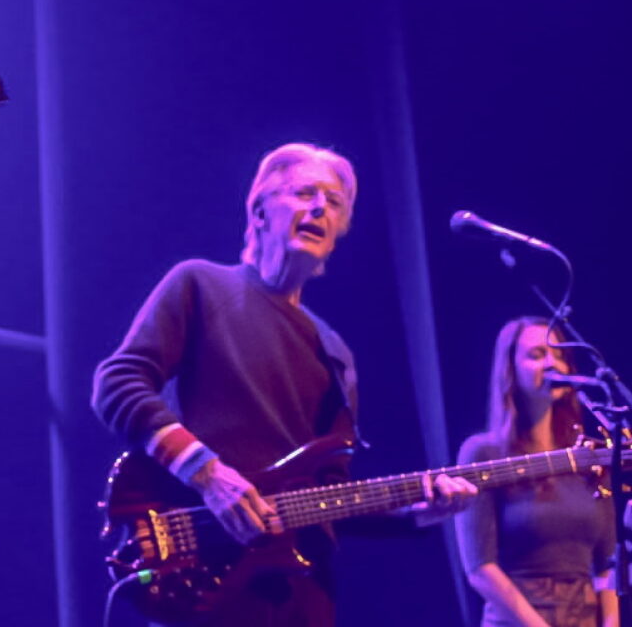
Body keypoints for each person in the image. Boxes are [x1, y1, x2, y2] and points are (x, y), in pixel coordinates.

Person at [90, 142, 477, 626]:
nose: (320, 208)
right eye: (303, 193)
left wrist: (418, 512)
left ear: (338, 233)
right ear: (259, 210)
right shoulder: (200, 285)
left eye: (334, 203)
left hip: (300, 595)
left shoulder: (334, 352)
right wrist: (209, 475)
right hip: (202, 579)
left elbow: (330, 496)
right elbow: (118, 382)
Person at [455, 317, 618, 627]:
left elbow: (607, 563)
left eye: (559, 355)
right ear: (511, 369)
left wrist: (611, 623)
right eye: (537, 354)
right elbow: (480, 567)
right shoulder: (483, 453)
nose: (552, 363)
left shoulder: (588, 455)